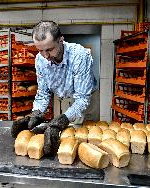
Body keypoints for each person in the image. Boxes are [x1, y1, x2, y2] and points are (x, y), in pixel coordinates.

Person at [11, 21, 97, 155]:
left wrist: (65, 118)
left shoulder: (79, 55)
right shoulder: (40, 59)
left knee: (82, 140)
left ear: (61, 40)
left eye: (49, 49)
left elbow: (82, 99)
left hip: (84, 99)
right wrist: (37, 112)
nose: (45, 56)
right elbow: (43, 93)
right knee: (61, 138)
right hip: (61, 97)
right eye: (40, 50)